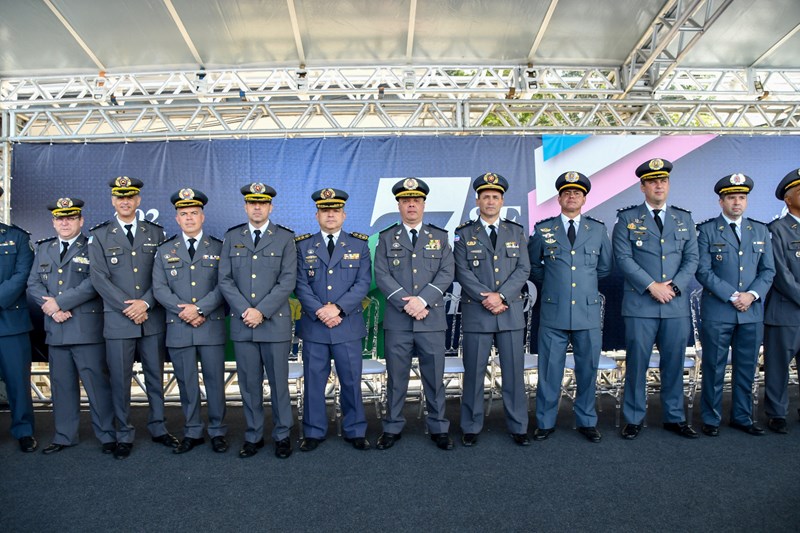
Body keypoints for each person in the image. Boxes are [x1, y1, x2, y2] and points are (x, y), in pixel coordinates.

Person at [89, 176, 178, 459]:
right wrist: (129, 307)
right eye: (120, 197)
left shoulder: (157, 233)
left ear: (138, 200)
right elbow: (99, 278)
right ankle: (123, 433)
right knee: (120, 379)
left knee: (155, 377)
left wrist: (146, 303)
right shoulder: (100, 235)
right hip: (118, 319)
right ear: (113, 201)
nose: (125, 201)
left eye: (130, 197)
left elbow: (162, 276)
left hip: (151, 319)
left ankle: (159, 428)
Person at [612, 158, 699, 439]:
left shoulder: (683, 218)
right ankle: (634, 418)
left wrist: (672, 287)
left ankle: (674, 417)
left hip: (674, 305)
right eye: (652, 181)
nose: (658, 185)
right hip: (641, 304)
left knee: (673, 363)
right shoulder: (627, 218)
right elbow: (623, 258)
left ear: (668, 184)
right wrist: (652, 286)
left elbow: (692, 258)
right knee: (637, 364)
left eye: (663, 180)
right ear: (642, 186)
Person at [528, 171, 613, 443]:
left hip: (587, 312)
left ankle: (587, 421)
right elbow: (533, 267)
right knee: (549, 371)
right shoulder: (544, 229)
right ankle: (545, 421)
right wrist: (556, 285)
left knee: (587, 370)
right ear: (559, 198)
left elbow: (604, 268)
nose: (571, 196)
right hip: (554, 310)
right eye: (566, 192)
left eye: (577, 192)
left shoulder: (597, 230)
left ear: (585, 198)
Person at [27, 197, 116, 454]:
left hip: (86, 329)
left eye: (70, 218)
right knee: (62, 386)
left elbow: (93, 283)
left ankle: (107, 435)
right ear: (54, 223)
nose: (64, 222)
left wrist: (60, 304)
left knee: (97, 386)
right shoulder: (44, 248)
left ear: (81, 220)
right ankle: (64, 435)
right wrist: (52, 310)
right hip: (56, 328)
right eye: (59, 218)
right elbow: (34, 283)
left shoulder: (92, 246)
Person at [373, 178, 455, 451]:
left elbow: (446, 273)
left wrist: (422, 300)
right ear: (398, 204)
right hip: (398, 320)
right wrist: (404, 302)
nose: (411, 205)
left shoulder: (440, 237)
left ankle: (438, 427)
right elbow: (381, 274)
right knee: (397, 378)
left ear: (423, 204)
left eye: (416, 200)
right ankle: (392, 427)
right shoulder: (386, 238)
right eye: (406, 200)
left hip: (431, 319)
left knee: (434, 378)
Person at [218, 183, 296, 459]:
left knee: (278, 384)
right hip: (243, 324)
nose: (257, 208)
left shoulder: (285, 238)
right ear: (245, 206)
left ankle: (282, 435)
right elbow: (225, 280)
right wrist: (245, 310)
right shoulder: (232, 237)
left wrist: (261, 310)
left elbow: (288, 280)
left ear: (270, 207)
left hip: (274, 324)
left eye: (262, 203)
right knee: (249, 385)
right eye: (252, 203)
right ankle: (253, 435)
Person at [454, 172, 531, 447]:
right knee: (473, 373)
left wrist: (502, 297)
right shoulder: (463, 234)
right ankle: (471, 425)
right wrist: (487, 298)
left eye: (495, 197)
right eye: (485, 196)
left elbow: (524, 268)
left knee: (513, 373)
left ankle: (518, 426)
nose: (490, 201)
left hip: (509, 312)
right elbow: (462, 271)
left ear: (502, 201)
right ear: (477, 200)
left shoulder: (516, 231)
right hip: (477, 312)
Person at [696, 174, 774, 437]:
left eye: (741, 197)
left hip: (751, 312)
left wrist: (751, 295)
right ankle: (711, 418)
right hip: (719, 311)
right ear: (721, 201)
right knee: (714, 367)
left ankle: (742, 417)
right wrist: (733, 295)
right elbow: (703, 271)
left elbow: (768, 271)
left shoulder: (761, 230)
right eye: (731, 198)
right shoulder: (706, 230)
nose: (737, 202)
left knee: (746, 368)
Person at [294, 188, 372, 451]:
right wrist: (320, 311)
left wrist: (337, 309)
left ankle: (355, 430)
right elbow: (300, 284)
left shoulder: (360, 245)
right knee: (314, 382)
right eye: (325, 210)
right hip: (315, 326)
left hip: (347, 325)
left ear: (344, 215)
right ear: (317, 215)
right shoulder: (303, 245)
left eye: (335, 210)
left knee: (351, 381)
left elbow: (363, 284)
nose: (330, 214)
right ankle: (314, 432)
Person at [152, 188, 228, 454]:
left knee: (215, 382)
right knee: (186, 382)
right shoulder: (164, 250)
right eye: (183, 214)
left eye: (194, 213)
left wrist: (200, 309)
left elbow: (224, 285)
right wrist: (183, 310)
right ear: (176, 218)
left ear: (203, 216)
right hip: (179, 325)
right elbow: (159, 288)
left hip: (210, 325)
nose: (189, 218)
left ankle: (218, 431)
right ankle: (193, 430)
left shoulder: (219, 248)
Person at [0, 186, 37, 452]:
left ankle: (23, 431)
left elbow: (23, 275)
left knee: (17, 382)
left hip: (11, 324)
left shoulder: (17, 238)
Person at [763, 168, 800, 434]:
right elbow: (780, 274)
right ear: (787, 199)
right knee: (777, 369)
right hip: (785, 312)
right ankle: (777, 414)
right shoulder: (776, 229)